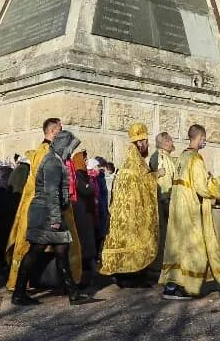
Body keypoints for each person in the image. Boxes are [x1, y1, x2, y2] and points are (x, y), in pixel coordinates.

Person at [159, 124, 220, 301]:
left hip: (179, 213)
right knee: (205, 248)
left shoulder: (181, 157)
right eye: (204, 138)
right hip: (194, 213)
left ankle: (172, 286)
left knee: (179, 250)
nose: (204, 141)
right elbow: (203, 188)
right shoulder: (196, 159)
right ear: (199, 138)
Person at [11, 129, 91, 306]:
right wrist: (55, 219)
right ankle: (18, 294)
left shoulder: (53, 160)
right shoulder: (53, 163)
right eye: (69, 147)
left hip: (45, 212)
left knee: (61, 250)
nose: (70, 151)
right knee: (35, 252)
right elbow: (51, 193)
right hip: (46, 214)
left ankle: (73, 293)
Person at [100, 122, 159, 287]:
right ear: (139, 142)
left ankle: (124, 277)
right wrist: (157, 175)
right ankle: (132, 278)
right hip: (133, 215)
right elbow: (144, 183)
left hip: (121, 216)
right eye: (145, 141)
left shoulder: (129, 160)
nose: (147, 144)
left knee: (125, 243)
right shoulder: (136, 163)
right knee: (134, 243)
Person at [148, 131, 176, 279]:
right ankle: (158, 266)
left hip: (166, 199)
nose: (173, 143)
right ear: (165, 142)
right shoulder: (160, 157)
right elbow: (163, 181)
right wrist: (166, 199)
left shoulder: (166, 156)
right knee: (163, 234)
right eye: (170, 140)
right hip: (164, 200)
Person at [71, 150, 98, 285]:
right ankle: (87, 276)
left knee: (88, 243)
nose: (86, 162)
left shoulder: (81, 174)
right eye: (85, 159)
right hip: (82, 213)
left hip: (85, 212)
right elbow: (86, 189)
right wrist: (92, 186)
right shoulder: (78, 175)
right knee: (85, 244)